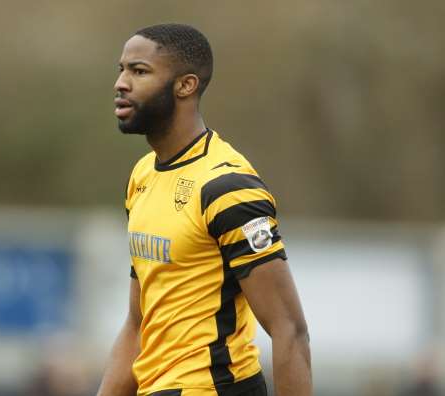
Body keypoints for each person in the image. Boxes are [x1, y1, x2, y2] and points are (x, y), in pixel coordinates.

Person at [97, 23, 311, 396]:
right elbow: (138, 322)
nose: (121, 83)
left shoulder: (227, 187)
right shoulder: (143, 175)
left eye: (139, 71)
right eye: (122, 70)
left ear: (186, 85)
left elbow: (288, 328)